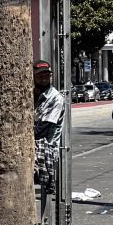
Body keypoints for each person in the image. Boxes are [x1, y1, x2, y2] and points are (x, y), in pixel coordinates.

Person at [34, 59, 66, 195]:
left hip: (46, 147)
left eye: (46, 75)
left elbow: (42, 129)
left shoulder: (55, 98)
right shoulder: (33, 94)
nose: (44, 79)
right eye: (40, 75)